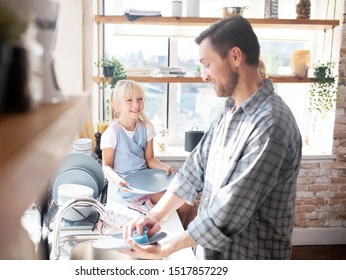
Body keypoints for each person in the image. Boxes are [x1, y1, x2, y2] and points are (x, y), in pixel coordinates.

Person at [122, 16, 302, 260]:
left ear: (235, 57)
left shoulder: (271, 125)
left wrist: (166, 248)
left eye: (207, 64)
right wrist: (154, 216)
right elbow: (194, 169)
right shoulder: (230, 111)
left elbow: (229, 212)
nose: (204, 76)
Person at [100, 79, 196, 227]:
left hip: (148, 181)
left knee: (193, 202)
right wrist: (118, 180)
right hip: (129, 187)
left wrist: (163, 166)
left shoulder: (146, 128)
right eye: (129, 100)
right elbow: (106, 166)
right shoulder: (111, 134)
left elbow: (150, 159)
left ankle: (184, 237)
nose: (136, 104)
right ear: (116, 105)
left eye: (140, 99)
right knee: (183, 203)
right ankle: (178, 234)